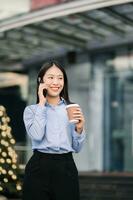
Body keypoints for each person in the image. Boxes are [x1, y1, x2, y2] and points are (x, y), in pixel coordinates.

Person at [22, 60, 86, 200]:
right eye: (50, 77)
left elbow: (77, 148)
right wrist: (41, 103)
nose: (56, 82)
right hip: (38, 166)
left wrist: (79, 129)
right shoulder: (31, 110)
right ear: (41, 81)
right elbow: (37, 136)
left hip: (66, 166)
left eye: (60, 78)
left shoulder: (72, 108)